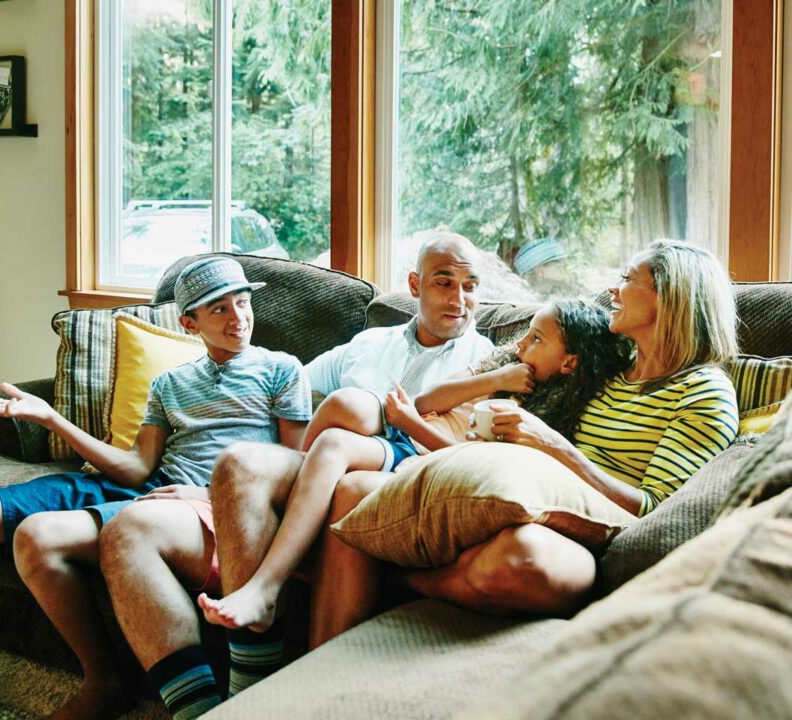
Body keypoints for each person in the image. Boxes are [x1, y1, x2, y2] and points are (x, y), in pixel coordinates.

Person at [0, 256, 311, 720]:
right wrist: (49, 418)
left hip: (215, 502)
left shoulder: (282, 369)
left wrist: (207, 494)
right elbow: (137, 468)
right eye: (219, 309)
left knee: (45, 536)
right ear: (190, 323)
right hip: (155, 488)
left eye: (242, 303)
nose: (238, 317)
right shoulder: (171, 382)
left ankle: (124, 688)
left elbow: (294, 468)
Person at [99, 232, 494, 702]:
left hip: (388, 476)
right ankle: (242, 687)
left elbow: (472, 454)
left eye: (470, 286)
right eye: (444, 283)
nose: (459, 299)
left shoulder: (485, 363)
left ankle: (253, 677)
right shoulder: (369, 344)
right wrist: (209, 479)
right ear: (415, 285)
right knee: (238, 462)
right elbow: (279, 390)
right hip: (317, 468)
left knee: (345, 416)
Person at [309, 239, 741, 649]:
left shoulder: (704, 392)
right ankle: (312, 668)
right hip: (529, 502)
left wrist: (551, 445)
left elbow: (656, 513)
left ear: (669, 298)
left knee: (520, 557)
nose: (613, 289)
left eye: (628, 279)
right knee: (355, 490)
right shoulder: (612, 367)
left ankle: (396, 578)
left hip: (596, 539)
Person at [197, 298, 632, 631]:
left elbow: (465, 462)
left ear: (569, 362)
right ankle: (273, 567)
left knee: (338, 453)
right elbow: (428, 400)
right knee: (332, 437)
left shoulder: (537, 421)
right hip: (408, 442)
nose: (520, 344)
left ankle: (268, 583)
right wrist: (496, 378)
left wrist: (410, 422)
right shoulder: (503, 367)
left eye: (536, 339)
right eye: (527, 333)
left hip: (425, 460)